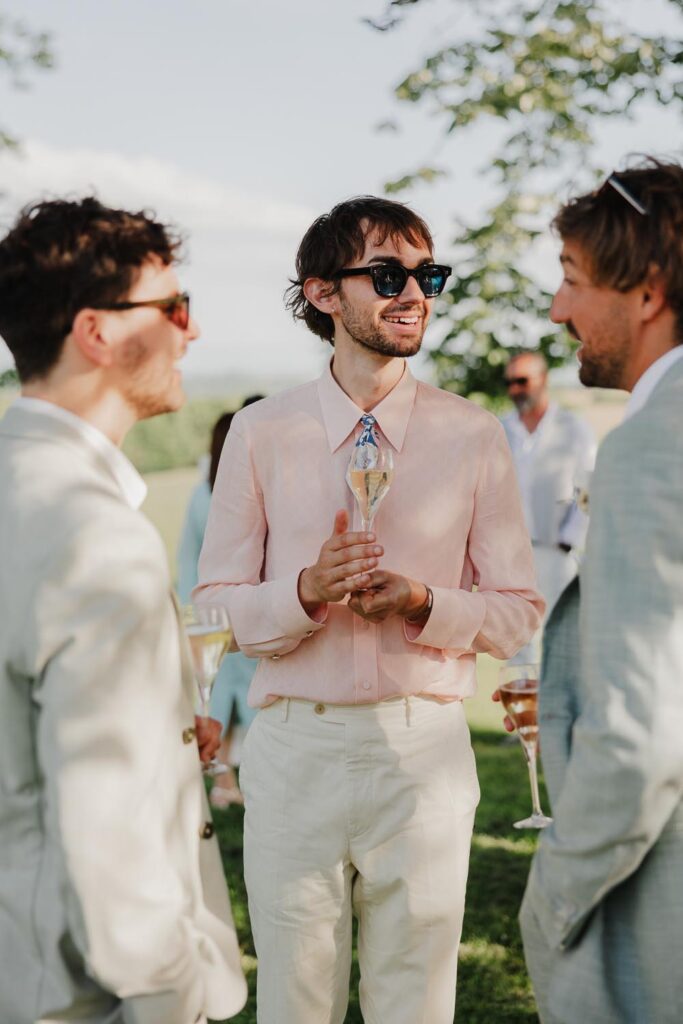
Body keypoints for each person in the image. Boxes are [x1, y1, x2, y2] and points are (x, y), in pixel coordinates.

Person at [196, 195, 543, 1023]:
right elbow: (210, 609)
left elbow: (519, 613)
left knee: (416, 1002)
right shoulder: (259, 432)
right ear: (323, 294)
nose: (414, 292)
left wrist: (427, 603)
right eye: (387, 274)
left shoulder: (472, 435)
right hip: (292, 752)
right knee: (295, 1001)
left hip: (423, 751)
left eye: (428, 275)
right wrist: (304, 592)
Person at [0, 197, 246, 1024]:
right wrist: (180, 990)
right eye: (174, 307)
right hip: (75, 995)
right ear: (97, 333)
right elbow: (110, 840)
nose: (192, 331)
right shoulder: (94, 534)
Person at [518, 159, 683, 1023]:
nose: (555, 308)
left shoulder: (652, 445)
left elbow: (638, 739)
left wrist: (548, 904)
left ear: (647, 292)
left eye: (570, 279)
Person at [177, 401, 264, 808]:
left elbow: (185, 559)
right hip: (238, 609)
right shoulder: (233, 497)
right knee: (245, 695)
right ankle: (247, 777)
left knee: (216, 697)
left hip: (203, 612)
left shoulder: (199, 494)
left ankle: (225, 781)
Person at [501, 351, 596, 663]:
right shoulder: (501, 428)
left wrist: (569, 540)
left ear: (543, 380)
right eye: (510, 382)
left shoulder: (573, 428)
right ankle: (522, 707)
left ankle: (558, 707)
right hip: (510, 553)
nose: (515, 389)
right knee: (516, 635)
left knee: (560, 633)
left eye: (522, 381)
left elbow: (588, 488)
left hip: (555, 549)